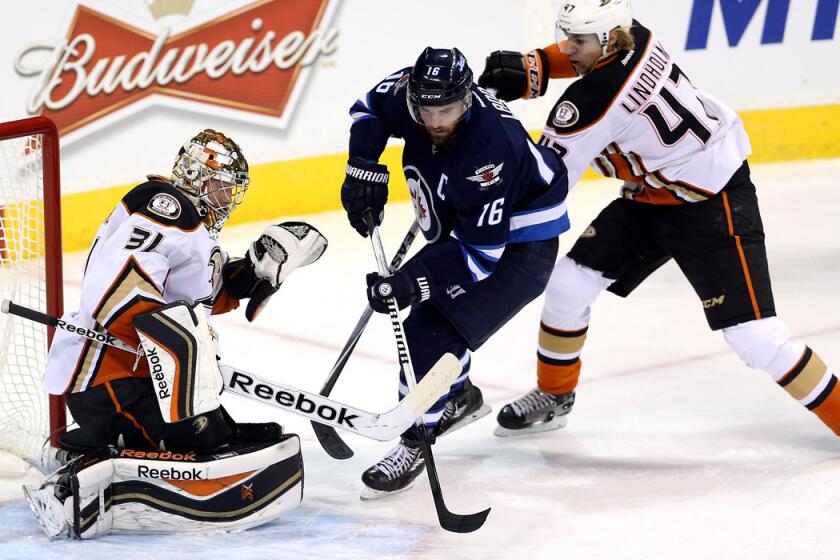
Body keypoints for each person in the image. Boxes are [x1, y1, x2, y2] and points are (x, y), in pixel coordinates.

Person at [478, 0, 840, 437]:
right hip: (651, 197)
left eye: (578, 40)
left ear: (609, 39)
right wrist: (533, 67)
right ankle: (556, 394)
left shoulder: (588, 105)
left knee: (755, 337)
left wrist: (484, 176)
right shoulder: (639, 36)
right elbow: (589, 64)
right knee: (568, 286)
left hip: (713, 202)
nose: (567, 48)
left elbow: (546, 185)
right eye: (566, 36)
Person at [23, 129, 327, 539]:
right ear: (197, 177)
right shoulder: (164, 208)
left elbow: (195, 295)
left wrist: (250, 274)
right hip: (105, 375)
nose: (226, 200)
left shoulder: (193, 228)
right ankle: (71, 482)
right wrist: (179, 340)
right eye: (221, 189)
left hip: (140, 377)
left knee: (218, 436)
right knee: (200, 440)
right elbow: (121, 292)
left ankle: (107, 450)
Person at [340, 47, 571, 498]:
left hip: (521, 245)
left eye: (446, 110)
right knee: (425, 315)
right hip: (466, 222)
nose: (435, 120)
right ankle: (456, 397)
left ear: (468, 98)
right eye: (425, 109)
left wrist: (412, 281)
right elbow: (368, 108)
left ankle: (416, 439)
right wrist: (363, 167)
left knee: (428, 328)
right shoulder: (413, 92)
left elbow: (480, 257)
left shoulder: (489, 150)